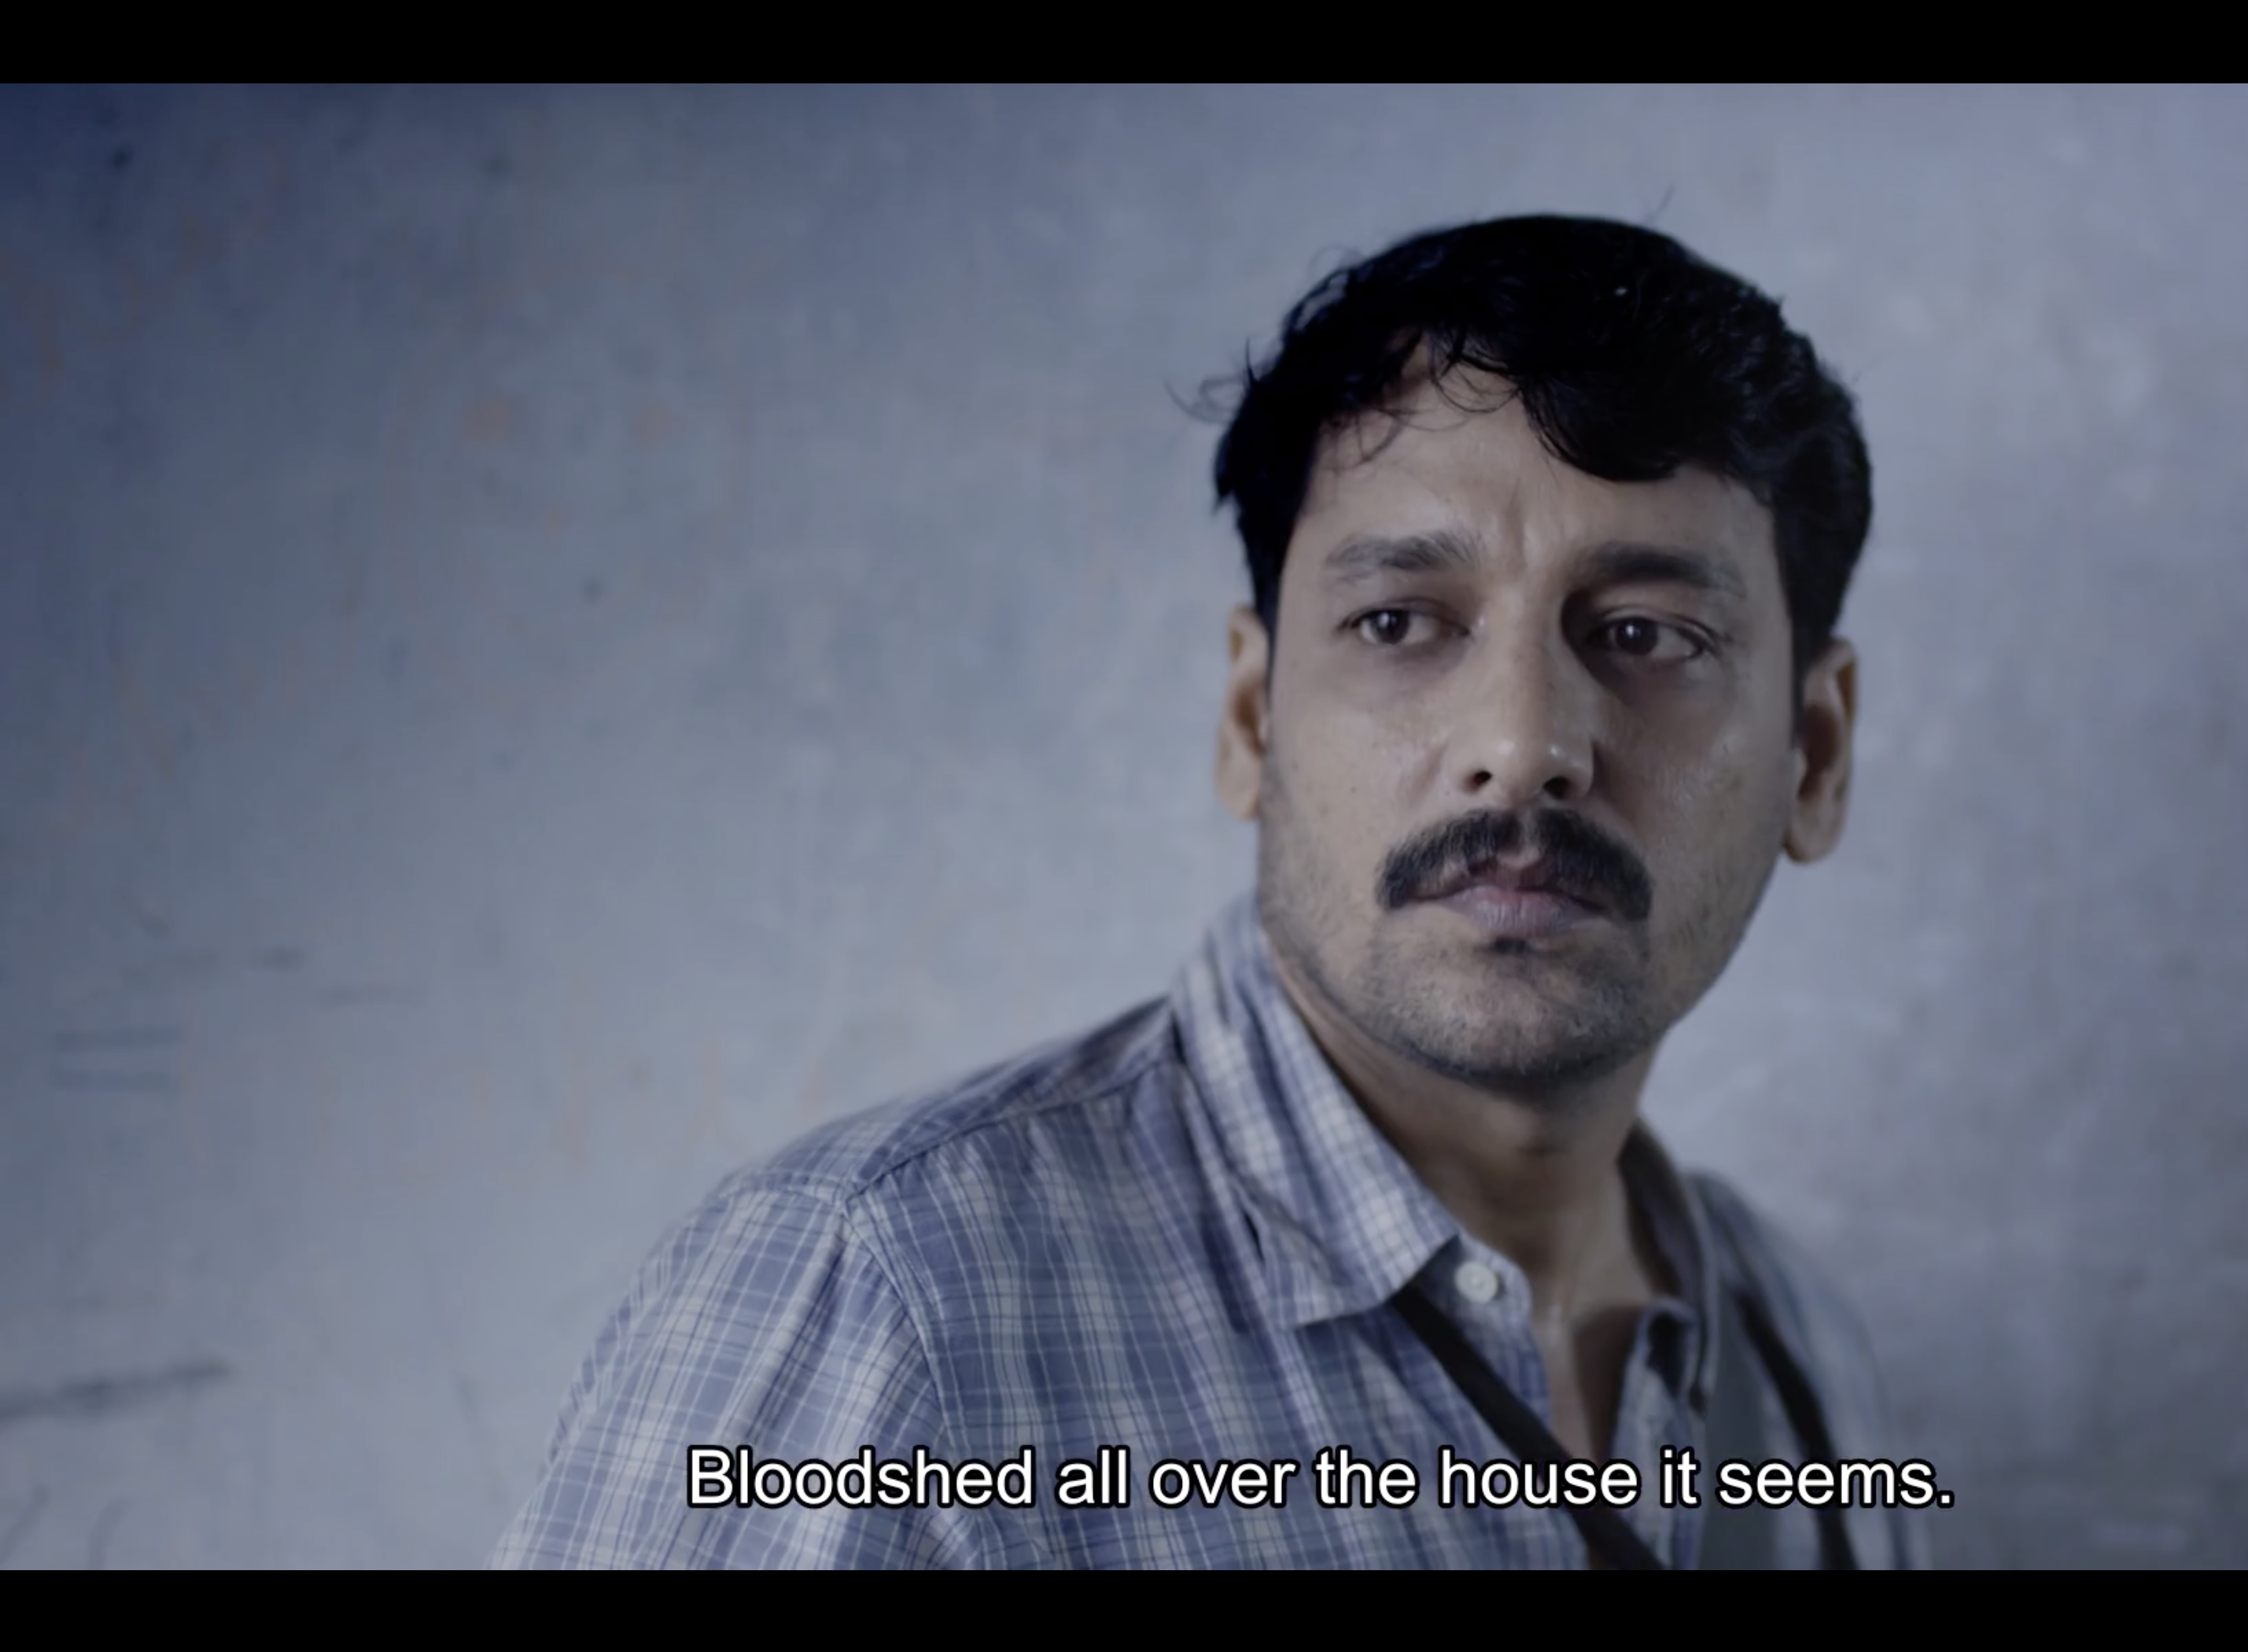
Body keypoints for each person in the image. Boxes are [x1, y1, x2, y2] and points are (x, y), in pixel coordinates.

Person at [492, 214, 1930, 1569]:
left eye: (1649, 634)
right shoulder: (880, 1297)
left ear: (1813, 755)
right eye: (1398, 622)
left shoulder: (1801, 1347)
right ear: (1252, 717)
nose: (1524, 744)